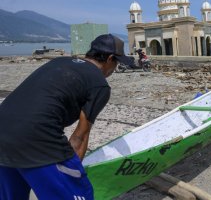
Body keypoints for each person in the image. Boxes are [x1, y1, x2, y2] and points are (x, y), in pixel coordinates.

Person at [0, 34, 131, 200]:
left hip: (2, 131)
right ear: (110, 59)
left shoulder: (59, 62)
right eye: (117, 63)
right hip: (36, 137)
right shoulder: (99, 84)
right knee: (79, 194)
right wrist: (73, 173)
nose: (115, 68)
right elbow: (80, 137)